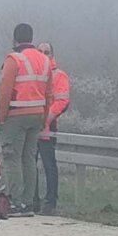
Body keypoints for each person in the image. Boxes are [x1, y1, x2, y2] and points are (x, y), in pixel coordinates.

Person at [0, 23, 53, 217]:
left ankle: (14, 201)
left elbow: (4, 91)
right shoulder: (44, 61)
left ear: (15, 39)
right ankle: (28, 203)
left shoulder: (14, 60)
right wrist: (44, 118)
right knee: (29, 158)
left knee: (11, 157)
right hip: (37, 114)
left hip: (16, 114)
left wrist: (1, 117)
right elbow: (49, 93)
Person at [34, 42, 70, 215]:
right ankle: (32, 201)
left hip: (48, 128)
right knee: (29, 165)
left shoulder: (58, 75)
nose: (43, 54)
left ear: (52, 54)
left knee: (49, 166)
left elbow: (63, 101)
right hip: (31, 128)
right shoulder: (34, 73)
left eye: (46, 52)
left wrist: (47, 118)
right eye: (39, 51)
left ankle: (50, 202)